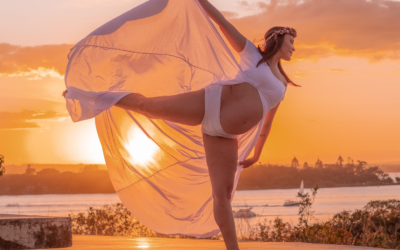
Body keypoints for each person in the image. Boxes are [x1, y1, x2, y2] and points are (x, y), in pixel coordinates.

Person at [63, 1, 297, 249]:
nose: (294, 48)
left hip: (223, 135)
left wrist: (257, 155)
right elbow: (222, 22)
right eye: (291, 41)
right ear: (277, 39)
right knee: (148, 107)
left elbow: (267, 123)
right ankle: (88, 95)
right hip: (209, 104)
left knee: (222, 196)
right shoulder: (252, 55)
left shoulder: (283, 83)